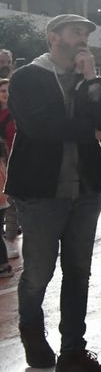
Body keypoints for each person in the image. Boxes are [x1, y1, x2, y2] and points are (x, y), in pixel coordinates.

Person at [5, 14, 101, 371]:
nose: (83, 39)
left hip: (85, 191)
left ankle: (73, 351)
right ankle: (32, 334)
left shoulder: (89, 80)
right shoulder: (27, 78)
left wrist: (91, 79)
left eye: (86, 33)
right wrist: (91, 132)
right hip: (41, 193)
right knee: (38, 273)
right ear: (53, 37)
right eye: (76, 32)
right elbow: (40, 127)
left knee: (78, 272)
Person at [1, 77, 19, 261]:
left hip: (15, 163)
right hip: (2, 164)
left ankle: (10, 240)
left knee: (12, 205)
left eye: (8, 90)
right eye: (2, 91)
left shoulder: (19, 113)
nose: (5, 94)